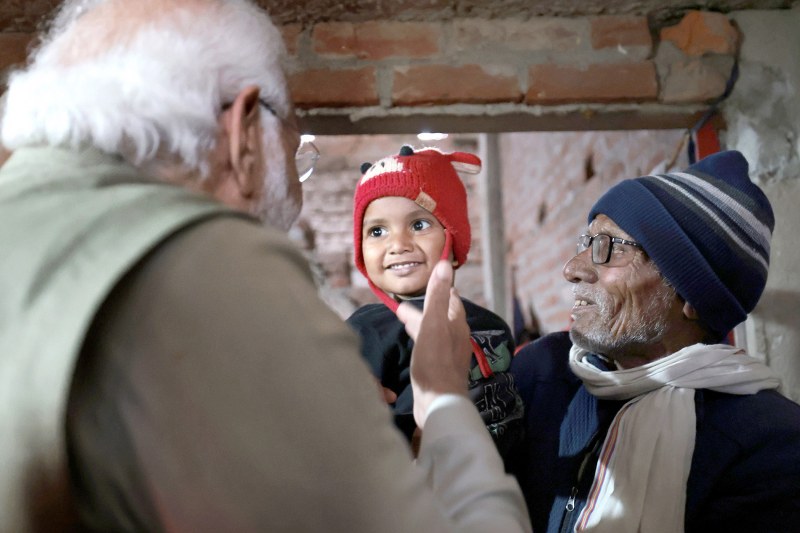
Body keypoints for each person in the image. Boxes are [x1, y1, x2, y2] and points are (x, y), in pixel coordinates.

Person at [0, 1, 531, 531]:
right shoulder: (213, 261)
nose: (297, 184)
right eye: (297, 151)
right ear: (245, 128)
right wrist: (444, 400)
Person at [508, 150, 800, 533]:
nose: (573, 269)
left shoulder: (770, 444)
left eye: (609, 247)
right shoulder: (543, 374)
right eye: (586, 242)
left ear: (692, 296)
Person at [346, 145, 524, 459]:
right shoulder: (367, 330)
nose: (398, 245)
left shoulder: (491, 324)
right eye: (377, 231)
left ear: (453, 238)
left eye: (419, 225)